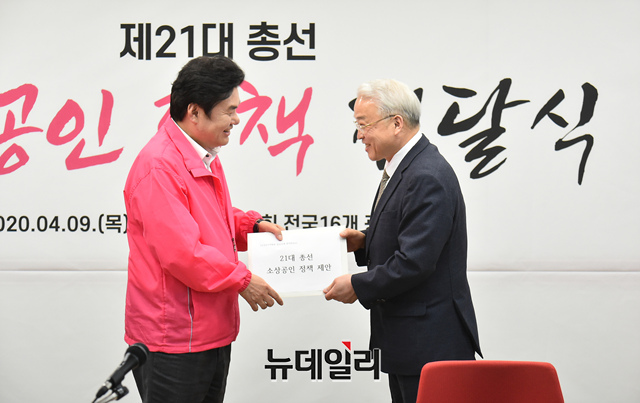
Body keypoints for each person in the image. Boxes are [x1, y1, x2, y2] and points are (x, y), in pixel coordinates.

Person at [123, 55, 284, 403]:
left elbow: (209, 218)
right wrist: (242, 279)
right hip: (174, 340)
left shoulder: (201, 153)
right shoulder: (160, 166)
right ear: (195, 112)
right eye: (229, 110)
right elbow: (183, 253)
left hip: (207, 332)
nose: (236, 119)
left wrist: (250, 226)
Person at [324, 79, 482, 403]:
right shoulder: (406, 167)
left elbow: (415, 262)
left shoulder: (425, 175)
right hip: (410, 340)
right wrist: (364, 242)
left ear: (397, 123)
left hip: (430, 343)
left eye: (364, 124)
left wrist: (358, 285)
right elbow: (408, 234)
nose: (359, 135)